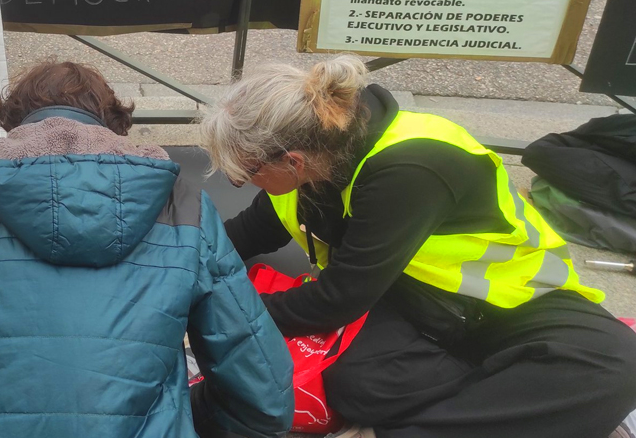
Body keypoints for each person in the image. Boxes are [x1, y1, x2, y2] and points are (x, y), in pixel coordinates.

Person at [200, 55, 636, 438]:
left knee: (616, 364)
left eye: (245, 172)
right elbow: (235, 238)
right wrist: (169, 275)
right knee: (356, 385)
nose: (240, 182)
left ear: (291, 160)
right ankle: (504, 401)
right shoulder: (308, 167)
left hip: (513, 301)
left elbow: (337, 300)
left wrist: (215, 317)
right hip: (410, 300)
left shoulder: (411, 166)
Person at [0, 61, 294, 438]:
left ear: (14, 122)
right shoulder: (182, 205)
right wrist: (179, 414)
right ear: (115, 124)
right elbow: (265, 394)